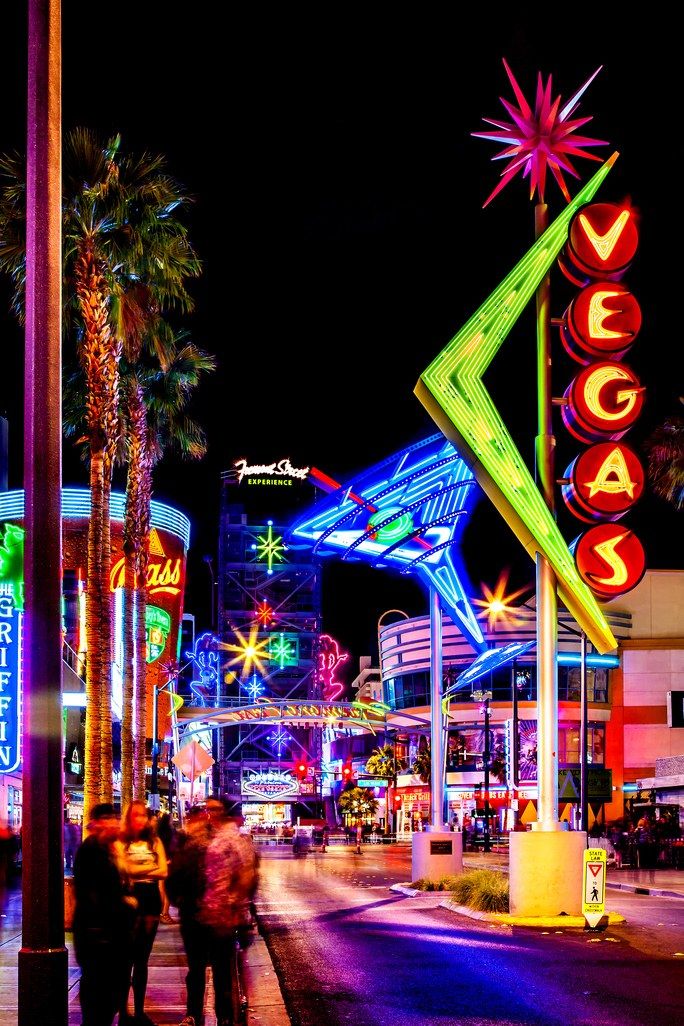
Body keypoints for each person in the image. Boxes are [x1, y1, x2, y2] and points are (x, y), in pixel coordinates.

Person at [167, 798, 258, 1026]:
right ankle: (193, 1014)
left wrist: (237, 903)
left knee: (222, 971)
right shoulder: (193, 839)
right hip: (194, 914)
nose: (210, 814)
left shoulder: (234, 840)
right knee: (195, 969)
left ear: (224, 812)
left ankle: (224, 1016)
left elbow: (249, 875)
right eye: (208, 809)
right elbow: (176, 873)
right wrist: (181, 901)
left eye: (215, 809)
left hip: (222, 918)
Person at [72, 803, 135, 1026]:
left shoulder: (110, 849)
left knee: (112, 988)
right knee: (98, 991)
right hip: (98, 933)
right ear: (96, 824)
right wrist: (124, 902)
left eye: (115, 818)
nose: (113, 823)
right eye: (107, 819)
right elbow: (93, 893)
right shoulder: (90, 850)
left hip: (112, 933)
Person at [116, 800, 168, 1026]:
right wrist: (150, 869)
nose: (140, 819)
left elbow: (164, 871)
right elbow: (122, 869)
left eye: (143, 815)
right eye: (135, 815)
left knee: (142, 959)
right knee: (125, 958)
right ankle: (123, 1012)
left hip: (150, 899)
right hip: (129, 899)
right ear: (128, 818)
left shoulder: (154, 840)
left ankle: (138, 1011)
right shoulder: (121, 842)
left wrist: (135, 870)